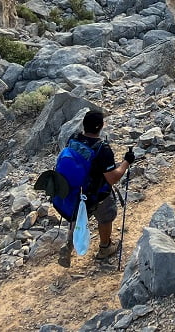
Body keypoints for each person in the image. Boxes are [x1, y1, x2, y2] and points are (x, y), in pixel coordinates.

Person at [60, 109, 135, 262]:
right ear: (101, 126)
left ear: (84, 125)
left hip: (75, 188)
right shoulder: (102, 149)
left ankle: (68, 245)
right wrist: (126, 162)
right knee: (105, 217)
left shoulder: (73, 139)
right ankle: (105, 248)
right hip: (96, 193)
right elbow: (112, 178)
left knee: (78, 216)